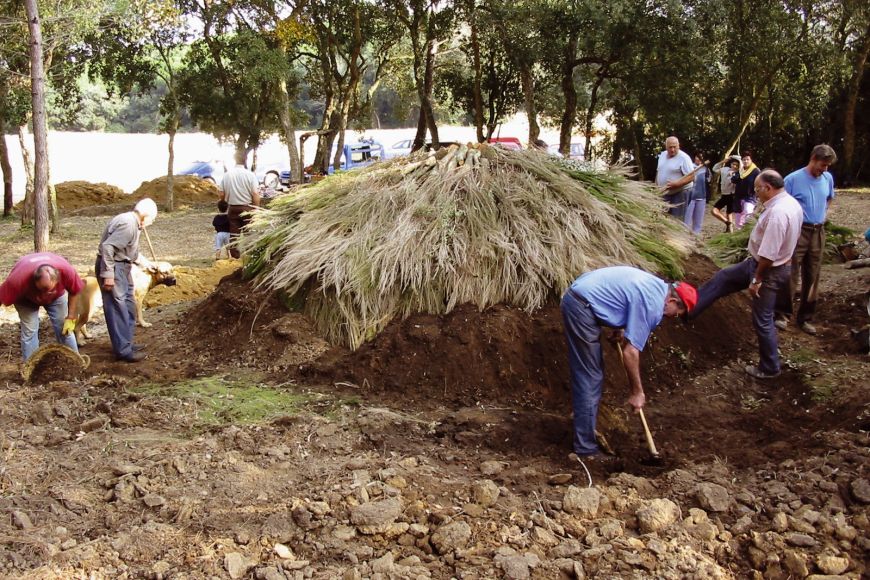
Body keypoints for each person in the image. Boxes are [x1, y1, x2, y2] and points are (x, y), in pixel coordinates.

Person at [561, 266, 698, 461]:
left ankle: (582, 421)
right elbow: (630, 352)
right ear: (673, 301)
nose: (674, 317)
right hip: (581, 306)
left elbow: (627, 297)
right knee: (590, 375)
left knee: (590, 373)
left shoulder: (657, 287)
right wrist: (637, 392)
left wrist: (619, 325)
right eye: (679, 312)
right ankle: (585, 450)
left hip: (581, 295)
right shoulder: (653, 305)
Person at [689, 170, 803, 379]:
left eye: (757, 189)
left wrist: (757, 279)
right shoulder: (790, 203)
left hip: (767, 270)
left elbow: (768, 254)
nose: (755, 193)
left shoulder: (778, 213)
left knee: (763, 319)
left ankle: (770, 367)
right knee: (724, 277)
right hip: (760, 264)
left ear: (768, 188)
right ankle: (690, 309)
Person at [774, 145, 837, 335]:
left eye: (827, 166)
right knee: (790, 272)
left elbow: (829, 198)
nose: (825, 169)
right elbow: (781, 204)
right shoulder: (792, 179)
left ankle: (806, 317)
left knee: (813, 275)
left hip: (818, 231)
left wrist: (823, 213)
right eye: (823, 165)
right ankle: (782, 314)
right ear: (813, 159)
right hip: (798, 230)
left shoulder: (827, 178)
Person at [96, 198, 159, 363]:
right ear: (145, 215)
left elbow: (131, 252)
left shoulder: (135, 224)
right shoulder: (128, 224)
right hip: (114, 267)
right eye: (152, 219)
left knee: (128, 305)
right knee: (118, 307)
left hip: (123, 267)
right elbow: (108, 248)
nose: (151, 223)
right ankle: (123, 351)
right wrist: (108, 275)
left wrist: (147, 264)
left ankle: (127, 343)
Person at [0, 253, 84, 360]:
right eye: (42, 290)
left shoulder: (66, 271)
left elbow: (74, 291)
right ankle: (31, 365)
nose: (44, 295)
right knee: (30, 331)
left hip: (56, 297)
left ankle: (74, 361)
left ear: (57, 279)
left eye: (48, 290)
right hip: (25, 300)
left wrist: (71, 316)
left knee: (64, 327)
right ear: (34, 281)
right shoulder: (17, 280)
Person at [219, 160, 260, 259]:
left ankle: (235, 257)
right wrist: (256, 208)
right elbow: (255, 193)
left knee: (234, 234)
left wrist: (223, 201)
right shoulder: (250, 175)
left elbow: (221, 193)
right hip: (248, 208)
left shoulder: (227, 175)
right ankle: (249, 256)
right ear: (245, 162)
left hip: (233, 208)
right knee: (249, 233)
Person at [655, 136, 696, 221]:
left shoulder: (684, 157)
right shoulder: (662, 155)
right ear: (666, 147)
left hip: (680, 192)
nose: (672, 149)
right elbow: (659, 171)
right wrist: (656, 186)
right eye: (670, 147)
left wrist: (677, 184)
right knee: (664, 219)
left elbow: (692, 176)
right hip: (664, 192)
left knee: (677, 220)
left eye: (675, 147)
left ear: (678, 146)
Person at [711, 155, 741, 232]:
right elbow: (714, 169)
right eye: (733, 164)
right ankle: (728, 223)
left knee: (729, 213)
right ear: (730, 164)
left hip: (731, 195)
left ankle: (730, 231)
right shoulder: (725, 169)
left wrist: (733, 174)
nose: (734, 166)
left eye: (736, 165)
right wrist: (723, 161)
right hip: (724, 195)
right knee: (714, 211)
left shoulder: (738, 174)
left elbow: (734, 181)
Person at [731, 152, 760, 229]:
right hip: (738, 197)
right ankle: (739, 230)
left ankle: (748, 229)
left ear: (751, 160)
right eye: (744, 160)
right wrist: (739, 173)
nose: (746, 161)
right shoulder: (740, 170)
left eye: (747, 159)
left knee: (748, 212)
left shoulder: (756, 171)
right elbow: (733, 180)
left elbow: (760, 183)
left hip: (750, 196)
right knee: (738, 216)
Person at [684, 153, 710, 235]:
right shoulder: (690, 166)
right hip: (690, 196)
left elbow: (708, 180)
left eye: (701, 157)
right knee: (686, 219)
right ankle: (684, 235)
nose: (698, 159)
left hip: (702, 196)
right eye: (697, 157)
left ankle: (696, 235)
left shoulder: (706, 169)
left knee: (698, 220)